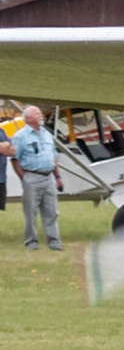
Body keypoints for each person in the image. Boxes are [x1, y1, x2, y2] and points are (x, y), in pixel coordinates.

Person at [11, 104, 61, 249]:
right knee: (30, 212)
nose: (41, 116)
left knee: (52, 211)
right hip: (32, 177)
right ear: (28, 118)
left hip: (48, 177)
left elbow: (53, 156)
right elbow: (15, 159)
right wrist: (24, 178)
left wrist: (57, 176)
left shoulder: (46, 134)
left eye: (40, 113)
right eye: (37, 114)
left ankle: (54, 242)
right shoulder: (20, 136)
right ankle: (31, 242)